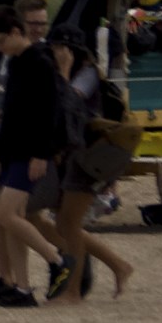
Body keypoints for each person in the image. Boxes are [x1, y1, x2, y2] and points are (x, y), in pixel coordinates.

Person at [0, 2, 68, 306]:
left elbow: (49, 113)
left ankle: (57, 260)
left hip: (28, 154)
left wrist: (41, 154)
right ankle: (21, 288)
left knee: (5, 214)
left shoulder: (40, 63)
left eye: (1, 42)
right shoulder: (16, 63)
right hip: (10, 151)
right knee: (10, 219)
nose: (0, 49)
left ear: (15, 32)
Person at [43, 25, 134, 302]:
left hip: (88, 156)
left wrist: (62, 72)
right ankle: (118, 265)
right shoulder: (79, 73)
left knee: (68, 224)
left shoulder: (88, 75)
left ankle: (72, 291)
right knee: (65, 224)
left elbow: (67, 104)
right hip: (75, 156)